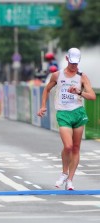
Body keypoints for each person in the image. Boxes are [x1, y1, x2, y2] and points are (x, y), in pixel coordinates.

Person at [38, 48, 96, 190]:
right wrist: (43, 106)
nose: (73, 66)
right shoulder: (57, 75)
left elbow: (93, 96)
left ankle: (70, 180)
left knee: (76, 148)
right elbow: (46, 89)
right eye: (71, 63)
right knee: (68, 146)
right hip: (63, 114)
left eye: (76, 63)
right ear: (66, 59)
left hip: (78, 113)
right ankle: (64, 173)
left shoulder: (82, 77)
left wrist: (79, 92)